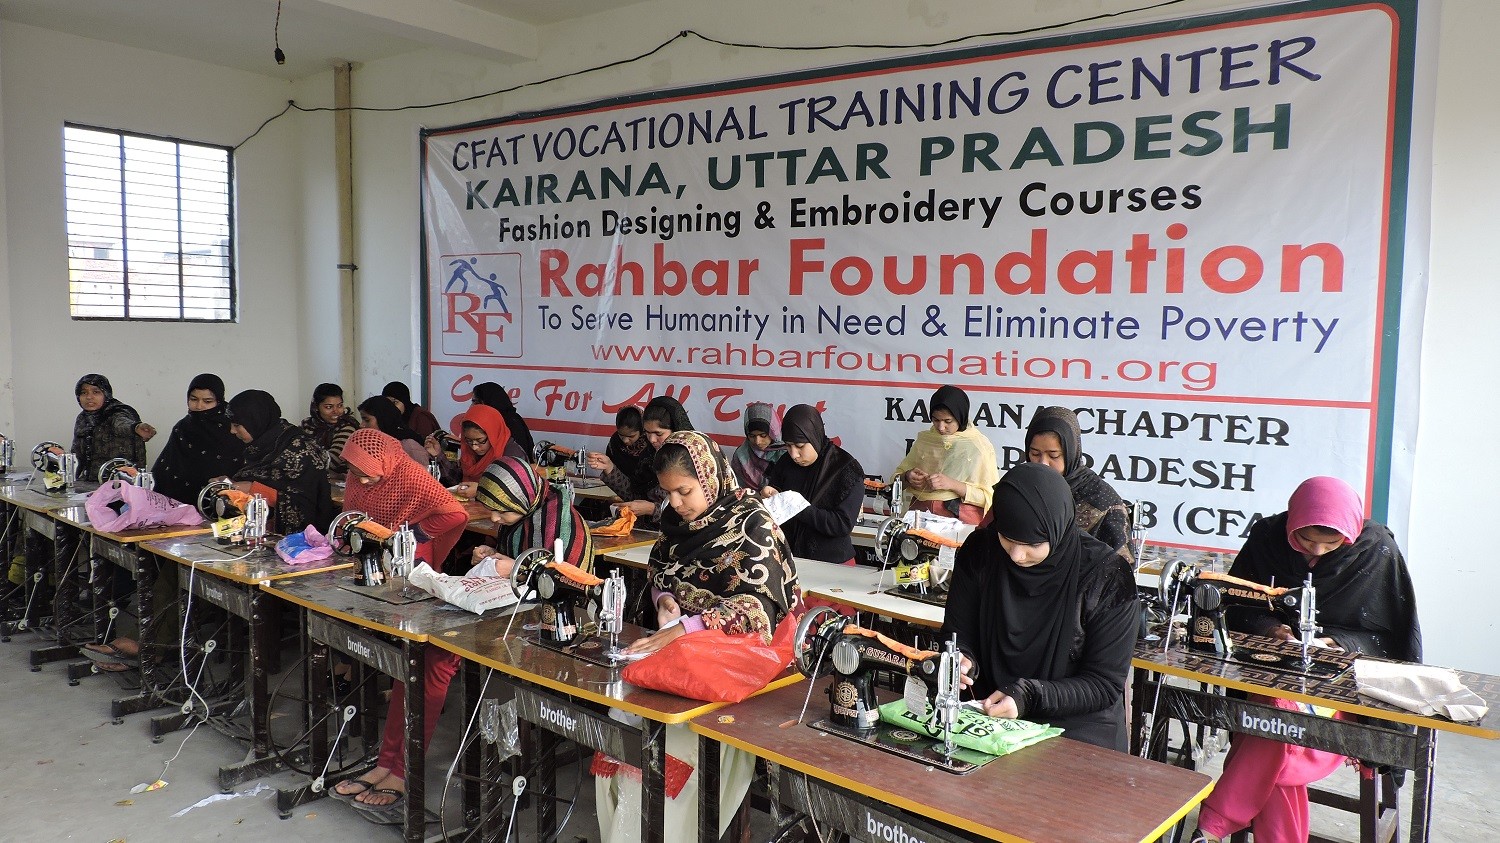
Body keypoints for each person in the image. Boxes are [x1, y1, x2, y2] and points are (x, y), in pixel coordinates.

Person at [332, 455, 592, 813]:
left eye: (501, 513)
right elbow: (520, 562)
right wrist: (494, 556)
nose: (495, 520)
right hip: (503, 612)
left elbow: (564, 582)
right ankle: (387, 762)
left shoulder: (564, 524)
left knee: (434, 662)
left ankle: (402, 771)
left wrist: (512, 568)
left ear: (522, 498)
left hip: (546, 628)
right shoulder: (526, 511)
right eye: (493, 512)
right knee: (416, 657)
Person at [1192, 476, 1422, 843]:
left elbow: (1393, 636)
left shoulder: (1376, 550)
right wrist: (1272, 629)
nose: (1316, 552)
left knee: (1272, 726)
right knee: (1277, 722)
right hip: (1270, 675)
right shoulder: (1268, 538)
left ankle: (1212, 825)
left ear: (1349, 533)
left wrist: (1337, 642)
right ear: (1291, 524)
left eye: (1331, 544)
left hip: (1346, 694)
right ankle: (1215, 826)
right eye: (1304, 540)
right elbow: (1237, 604)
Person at [596, 430, 799, 843]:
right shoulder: (676, 525)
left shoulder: (752, 525)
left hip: (740, 671)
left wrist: (686, 629)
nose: (675, 504)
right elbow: (662, 572)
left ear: (709, 478)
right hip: (682, 658)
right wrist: (666, 601)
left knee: (674, 751)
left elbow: (759, 612)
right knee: (625, 738)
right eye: (667, 493)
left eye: (684, 491)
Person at [942, 462, 1138, 751]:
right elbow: (958, 631)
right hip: (990, 715)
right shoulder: (981, 551)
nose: (1016, 556)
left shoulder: (1107, 576)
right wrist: (962, 659)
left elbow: (1103, 684)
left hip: (1077, 729)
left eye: (1032, 544)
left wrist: (1030, 696)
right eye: (1007, 538)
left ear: (1057, 529)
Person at [83, 374, 246, 671]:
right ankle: (150, 642)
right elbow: (165, 474)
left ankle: (150, 646)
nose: (199, 407)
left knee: (177, 576)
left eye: (207, 401)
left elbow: (237, 486)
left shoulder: (232, 433)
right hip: (178, 517)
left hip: (217, 522)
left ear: (220, 401)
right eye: (193, 400)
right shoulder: (183, 428)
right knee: (163, 573)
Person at [1024, 406, 1134, 571]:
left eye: (1053, 455)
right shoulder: (1020, 488)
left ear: (1071, 452)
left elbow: (1119, 571)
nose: (1043, 463)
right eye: (1034, 453)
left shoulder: (1102, 500)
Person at [761, 404, 864, 565]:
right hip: (788, 562)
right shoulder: (785, 463)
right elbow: (776, 506)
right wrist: (770, 496)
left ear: (814, 436)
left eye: (800, 446)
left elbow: (842, 525)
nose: (794, 454)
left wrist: (799, 507)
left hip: (833, 566)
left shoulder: (845, 469)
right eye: (788, 446)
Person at [226, 390, 336, 533]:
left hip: (302, 540)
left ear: (256, 421)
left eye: (237, 425)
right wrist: (230, 484)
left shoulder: (300, 451)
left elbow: (306, 501)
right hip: (259, 533)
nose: (232, 430)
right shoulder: (261, 446)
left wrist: (254, 489)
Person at [892, 385, 998, 524]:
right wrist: (907, 477)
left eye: (948, 421)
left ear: (960, 417)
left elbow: (989, 497)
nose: (941, 427)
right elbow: (895, 480)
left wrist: (952, 484)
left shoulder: (978, 446)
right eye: (936, 420)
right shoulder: (926, 440)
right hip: (919, 516)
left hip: (960, 519)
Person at [592, 396, 696, 518]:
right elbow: (633, 496)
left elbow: (696, 511)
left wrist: (653, 509)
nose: (652, 439)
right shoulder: (649, 458)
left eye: (658, 433)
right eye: (647, 432)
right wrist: (609, 468)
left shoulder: (692, 460)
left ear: (676, 430)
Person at [71, 373, 155, 480]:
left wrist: (136, 428)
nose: (89, 397)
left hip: (119, 482)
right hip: (88, 481)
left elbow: (121, 424)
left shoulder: (117, 413)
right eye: (84, 393)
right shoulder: (83, 418)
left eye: (96, 392)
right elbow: (76, 453)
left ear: (106, 394)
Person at [426, 404, 526, 492]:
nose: (474, 447)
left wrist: (480, 491)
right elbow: (456, 480)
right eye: (469, 441)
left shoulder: (512, 455)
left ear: (494, 434)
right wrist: (438, 455)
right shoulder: (470, 453)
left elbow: (516, 492)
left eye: (480, 441)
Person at [585, 406, 655, 504]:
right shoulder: (615, 442)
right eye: (621, 435)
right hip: (618, 493)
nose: (625, 441)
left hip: (649, 502)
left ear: (642, 429)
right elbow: (611, 472)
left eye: (631, 436)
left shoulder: (652, 446)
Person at [301, 383, 358, 472]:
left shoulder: (347, 427)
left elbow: (333, 462)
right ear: (316, 407)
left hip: (339, 476)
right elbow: (295, 450)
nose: (336, 411)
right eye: (329, 407)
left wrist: (301, 460)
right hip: (313, 473)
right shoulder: (307, 424)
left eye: (340, 405)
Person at [357, 396, 428, 466]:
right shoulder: (371, 445)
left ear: (383, 419)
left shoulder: (408, 446)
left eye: (367, 420)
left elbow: (423, 472)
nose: (361, 425)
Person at [729, 401, 784, 491]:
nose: (757, 442)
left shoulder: (788, 453)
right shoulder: (741, 455)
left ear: (773, 432)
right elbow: (735, 489)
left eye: (763, 435)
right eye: (752, 436)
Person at [472, 381, 535, 457]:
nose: (472, 407)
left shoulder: (504, 423)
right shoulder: (513, 418)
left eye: (475, 402)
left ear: (487, 402)